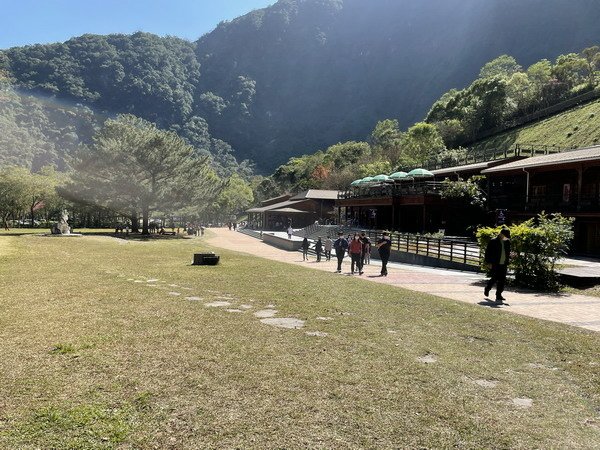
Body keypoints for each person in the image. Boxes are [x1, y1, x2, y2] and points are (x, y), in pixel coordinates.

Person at [484, 228, 511, 304]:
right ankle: (487, 288)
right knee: (495, 277)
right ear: (501, 234)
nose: (506, 237)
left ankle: (498, 294)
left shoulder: (507, 242)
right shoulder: (493, 241)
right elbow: (488, 252)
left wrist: (511, 256)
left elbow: (508, 252)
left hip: (504, 263)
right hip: (495, 263)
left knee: (502, 280)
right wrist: (488, 262)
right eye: (505, 235)